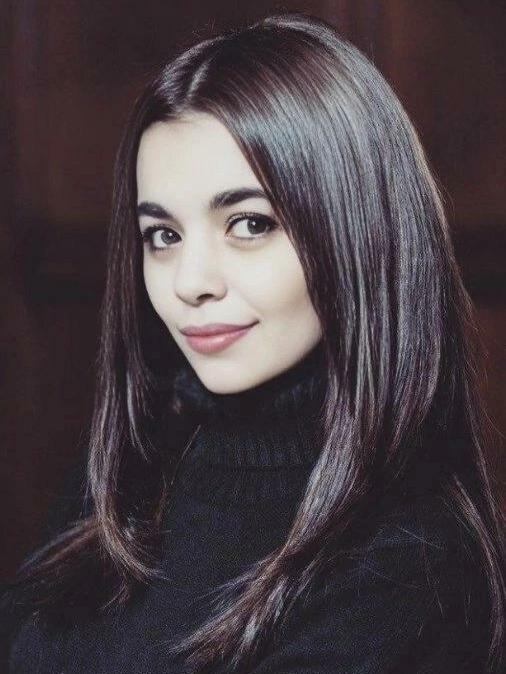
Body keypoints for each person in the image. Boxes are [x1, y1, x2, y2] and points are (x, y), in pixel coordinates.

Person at [1, 11, 505, 674]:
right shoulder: (139, 462)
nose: (190, 282)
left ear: (357, 233)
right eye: (163, 235)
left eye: (248, 223)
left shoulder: (411, 569)